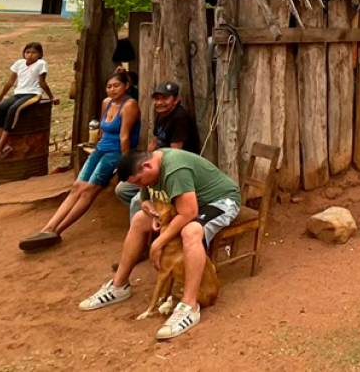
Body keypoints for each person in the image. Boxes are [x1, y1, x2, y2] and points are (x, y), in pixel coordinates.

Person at [79, 148, 241, 340]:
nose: (139, 185)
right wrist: (151, 210)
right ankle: (118, 286)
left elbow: (188, 213)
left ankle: (189, 306)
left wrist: (157, 243)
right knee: (139, 219)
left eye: (139, 181)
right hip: (190, 203)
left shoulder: (174, 169)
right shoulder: (149, 168)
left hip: (221, 201)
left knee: (190, 232)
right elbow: (145, 200)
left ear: (147, 166)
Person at [19, 73, 139, 252]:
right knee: (77, 186)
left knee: (89, 190)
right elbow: (102, 130)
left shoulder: (129, 105)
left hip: (114, 153)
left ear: (126, 86)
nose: (112, 90)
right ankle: (47, 229)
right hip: (100, 149)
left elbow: (124, 136)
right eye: (109, 86)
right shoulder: (107, 102)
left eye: (116, 86)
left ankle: (58, 230)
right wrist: (96, 146)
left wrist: (125, 163)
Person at [116, 81, 200, 215]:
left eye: (165, 98)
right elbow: (154, 142)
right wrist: (138, 163)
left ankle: (147, 223)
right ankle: (156, 215)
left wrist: (151, 176)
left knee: (136, 202)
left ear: (177, 99)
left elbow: (175, 154)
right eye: (157, 98)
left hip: (169, 170)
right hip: (154, 164)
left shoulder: (179, 118)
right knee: (122, 190)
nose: (159, 102)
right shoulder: (162, 115)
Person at [0, 42, 58, 160]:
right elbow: (10, 82)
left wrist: (51, 97)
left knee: (14, 109)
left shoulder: (41, 64)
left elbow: (42, 82)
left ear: (40, 54)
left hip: (33, 94)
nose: (30, 55)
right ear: (24, 53)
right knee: (0, 109)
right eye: (27, 52)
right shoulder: (19, 63)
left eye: (34, 53)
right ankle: (5, 145)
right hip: (18, 93)